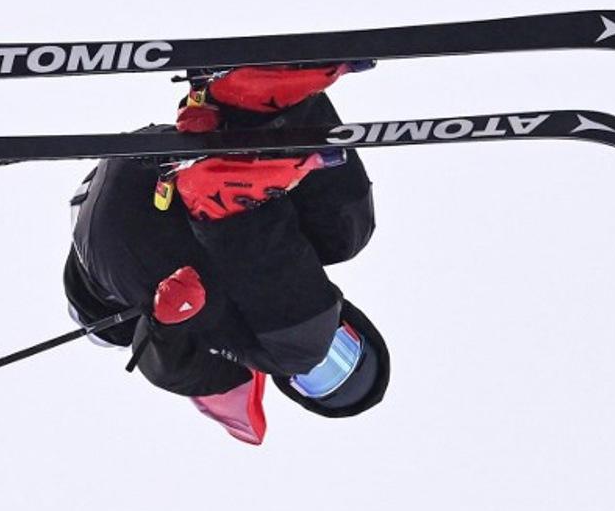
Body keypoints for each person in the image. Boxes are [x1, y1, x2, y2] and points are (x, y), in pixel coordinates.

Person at [63, 62, 389, 445]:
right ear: (352, 321)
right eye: (344, 346)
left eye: (316, 379)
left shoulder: (236, 365)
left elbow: (170, 369)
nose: (323, 356)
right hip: (164, 161)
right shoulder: (297, 267)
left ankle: (227, 185)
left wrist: (168, 326)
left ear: (291, 388)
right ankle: (261, 104)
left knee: (296, 346)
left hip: (131, 245)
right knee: (348, 235)